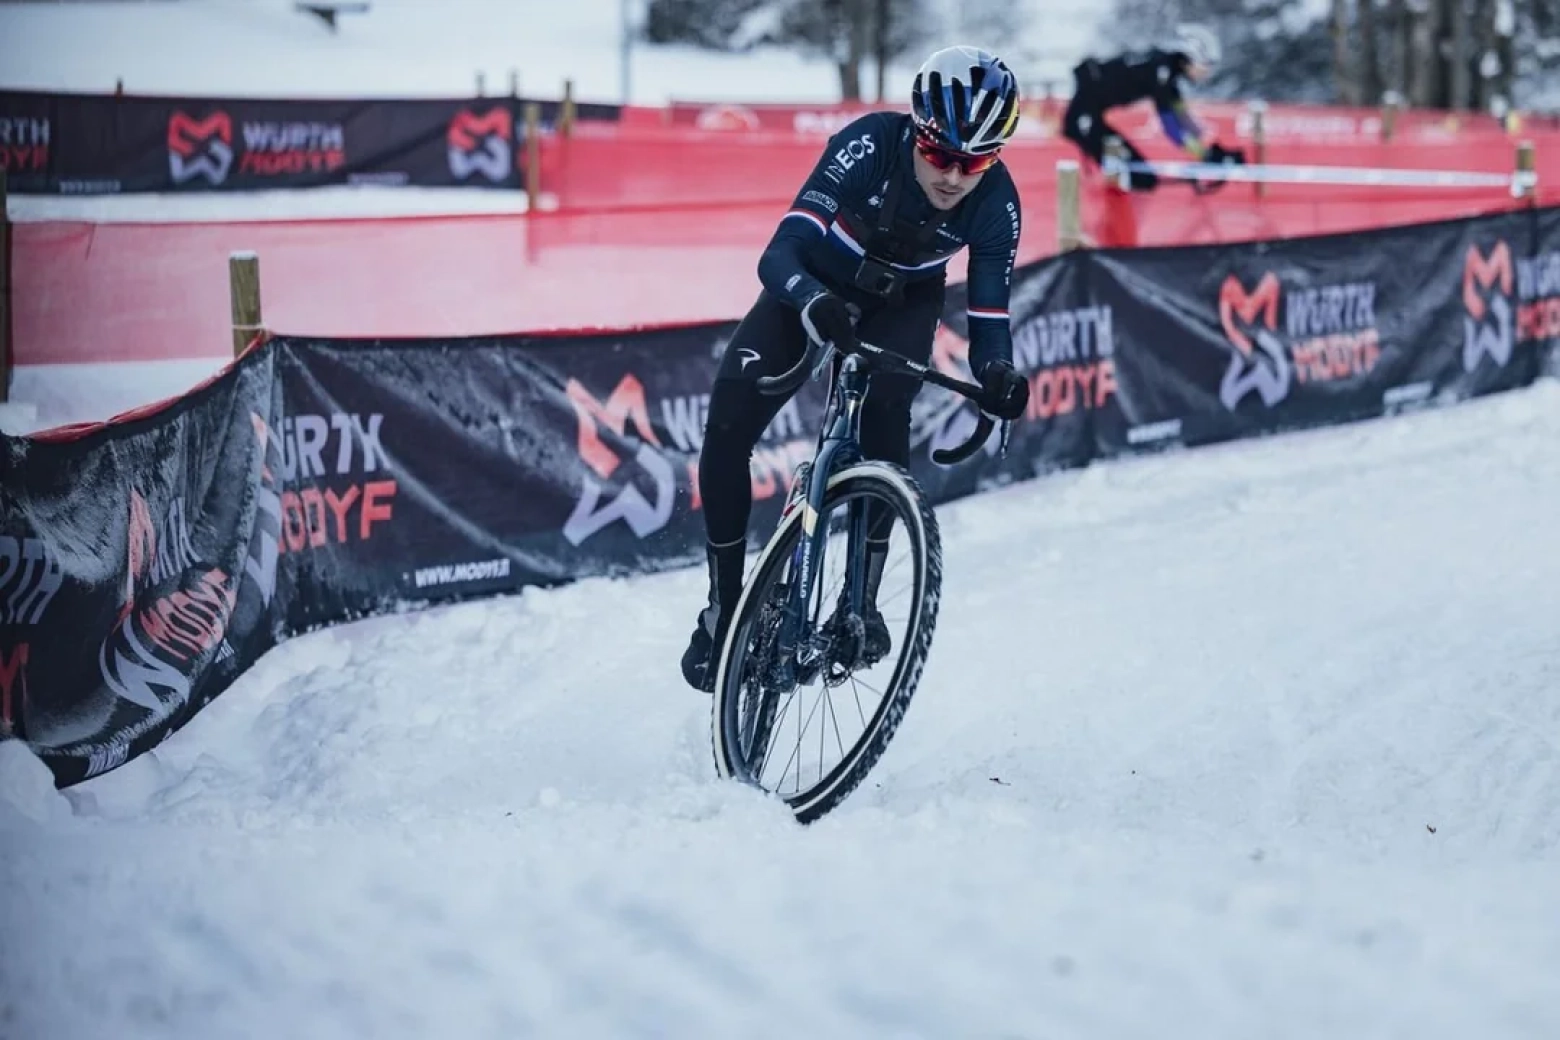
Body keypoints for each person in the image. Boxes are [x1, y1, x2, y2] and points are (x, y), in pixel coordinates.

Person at [679, 44, 1033, 693]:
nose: (954, 175)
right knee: (728, 426)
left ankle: (861, 602)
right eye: (941, 154)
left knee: (888, 412)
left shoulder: (997, 206)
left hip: (902, 303)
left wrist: (1000, 374)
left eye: (975, 160)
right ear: (917, 133)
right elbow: (781, 250)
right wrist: (814, 301)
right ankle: (725, 606)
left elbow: (988, 320)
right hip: (813, 284)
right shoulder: (868, 144)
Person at [1061, 24, 1246, 192]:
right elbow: (1172, 129)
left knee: (1142, 177)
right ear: (1191, 57)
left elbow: (1183, 119)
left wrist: (1213, 149)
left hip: (1089, 112)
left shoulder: (1165, 71)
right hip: (1083, 118)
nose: (1207, 72)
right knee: (1139, 178)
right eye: (1206, 65)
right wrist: (1205, 155)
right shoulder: (1161, 74)